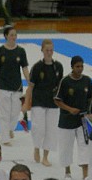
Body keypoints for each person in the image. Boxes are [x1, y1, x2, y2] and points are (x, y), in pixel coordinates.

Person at [23, 39, 64, 167]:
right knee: (38, 127)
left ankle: (45, 156)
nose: (49, 52)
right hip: (38, 101)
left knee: (51, 130)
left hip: (53, 103)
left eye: (51, 50)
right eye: (47, 50)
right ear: (42, 50)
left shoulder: (58, 66)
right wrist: (26, 103)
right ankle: (36, 148)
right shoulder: (37, 67)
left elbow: (60, 87)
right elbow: (30, 87)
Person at [54, 55, 92, 180]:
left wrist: (90, 112)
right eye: (77, 66)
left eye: (81, 66)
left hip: (82, 120)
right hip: (66, 120)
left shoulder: (87, 80)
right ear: (72, 67)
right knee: (66, 147)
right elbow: (57, 100)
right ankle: (67, 171)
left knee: (84, 146)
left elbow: (91, 98)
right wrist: (69, 109)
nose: (80, 69)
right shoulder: (65, 81)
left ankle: (85, 174)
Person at [0, 26, 30, 146]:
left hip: (17, 86)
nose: (13, 37)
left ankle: (10, 129)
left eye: (15, 35)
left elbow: (25, 68)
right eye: (11, 35)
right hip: (2, 86)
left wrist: (30, 83)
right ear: (6, 36)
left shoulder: (21, 51)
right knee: (4, 113)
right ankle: (5, 138)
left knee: (15, 113)